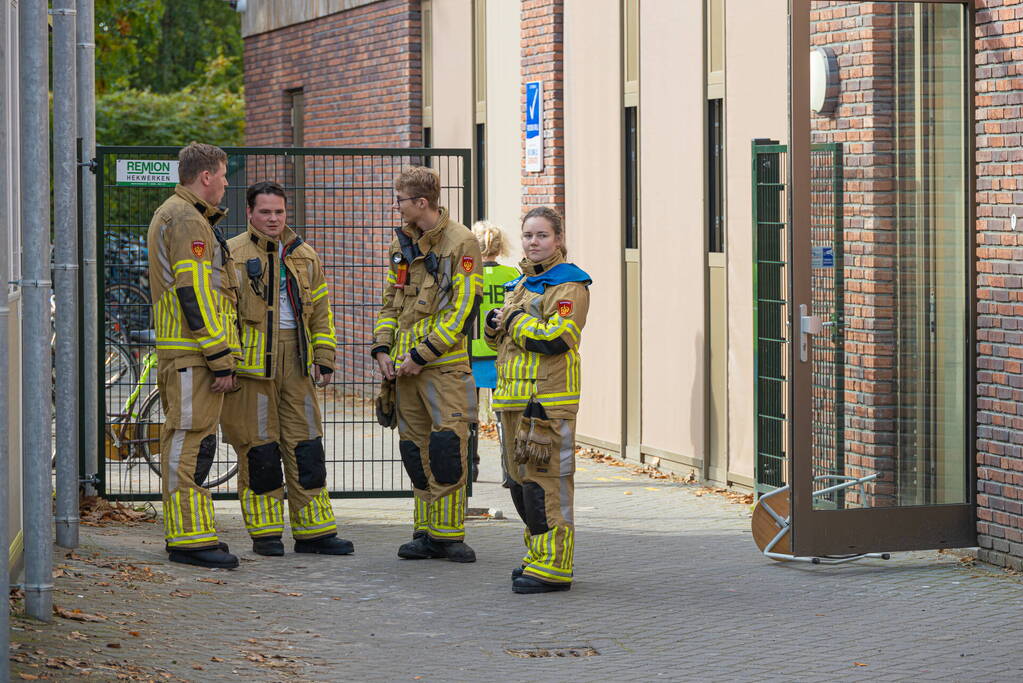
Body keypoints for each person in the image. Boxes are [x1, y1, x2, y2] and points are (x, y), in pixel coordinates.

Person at [219, 182, 352, 557]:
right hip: (251, 369)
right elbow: (223, 312)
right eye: (265, 212)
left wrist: (325, 356)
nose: (273, 219)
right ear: (249, 213)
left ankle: (315, 533)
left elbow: (322, 311)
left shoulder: (304, 255)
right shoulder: (232, 253)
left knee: (307, 446)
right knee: (259, 450)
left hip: (296, 362)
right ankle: (266, 535)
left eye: (279, 212)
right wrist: (225, 361)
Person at [372, 166, 483, 563]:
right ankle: (426, 532)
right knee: (414, 450)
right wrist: (382, 349)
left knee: (446, 448)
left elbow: (463, 308)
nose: (395, 205)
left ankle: (449, 536)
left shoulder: (461, 243)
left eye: (400, 199)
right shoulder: (402, 243)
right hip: (403, 370)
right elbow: (392, 301)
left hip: (442, 367)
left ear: (422, 203)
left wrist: (423, 354)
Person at [484, 206, 591, 594]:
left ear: (558, 240)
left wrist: (511, 321)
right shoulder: (522, 282)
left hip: (547, 403)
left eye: (542, 235)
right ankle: (537, 557)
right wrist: (494, 325)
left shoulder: (569, 285)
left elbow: (555, 338)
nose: (534, 242)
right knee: (520, 485)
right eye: (528, 235)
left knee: (547, 485)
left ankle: (555, 567)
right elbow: (507, 338)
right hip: (513, 401)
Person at [146, 142, 241, 569]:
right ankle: (186, 539)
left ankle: (195, 533)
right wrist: (219, 355)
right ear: (206, 177)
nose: (226, 183)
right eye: (223, 175)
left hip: (190, 351)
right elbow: (195, 293)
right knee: (187, 440)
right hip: (193, 352)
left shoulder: (185, 215)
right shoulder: (186, 218)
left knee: (195, 440)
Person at [468, 221, 518, 481]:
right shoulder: (511, 276)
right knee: (504, 415)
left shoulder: (468, 276)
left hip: (470, 355)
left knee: (468, 414)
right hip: (500, 353)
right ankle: (509, 470)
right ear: (500, 247)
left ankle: (471, 468)